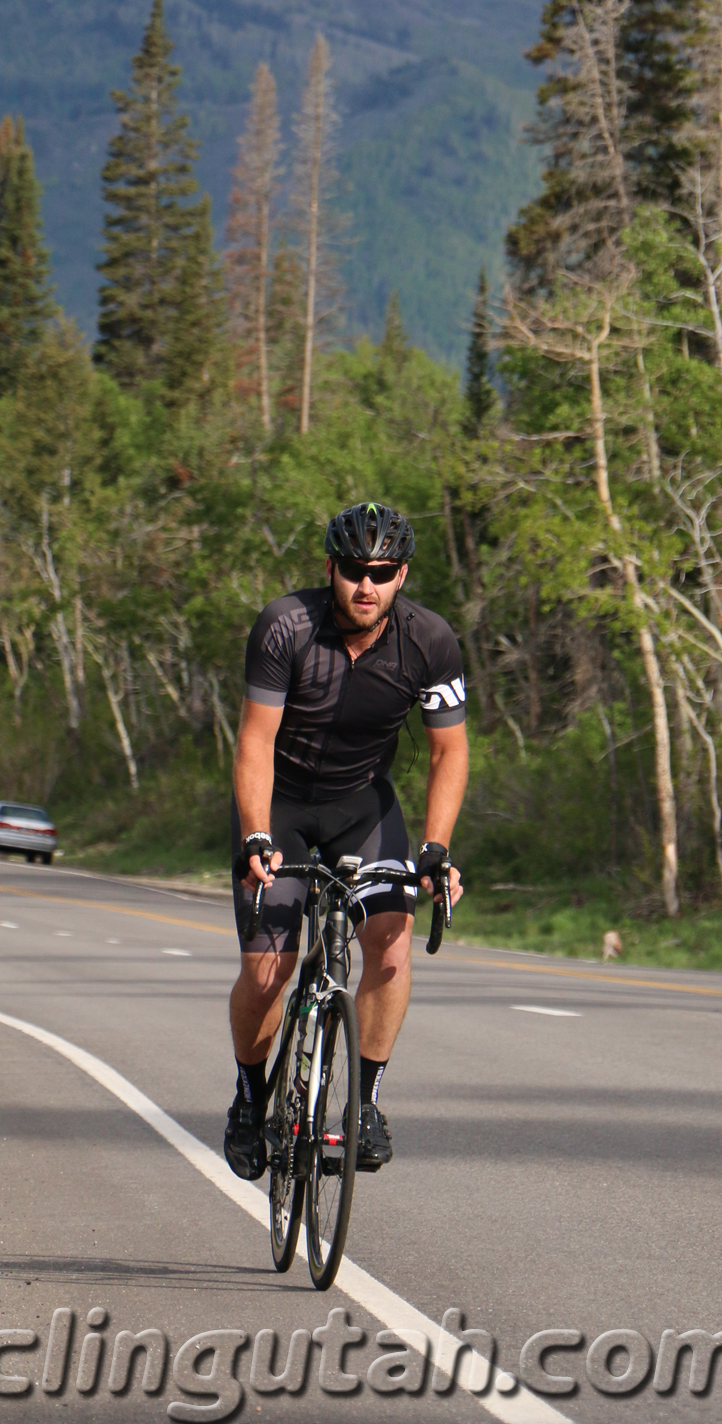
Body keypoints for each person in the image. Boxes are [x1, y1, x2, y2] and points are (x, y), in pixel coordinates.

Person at [224, 499, 467, 1180]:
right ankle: (249, 1100)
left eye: (382, 571)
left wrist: (435, 849)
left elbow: (450, 753)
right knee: (267, 969)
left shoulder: (430, 641)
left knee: (389, 945)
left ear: (402, 574)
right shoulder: (285, 627)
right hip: (282, 801)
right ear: (331, 568)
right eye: (355, 569)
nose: (367, 584)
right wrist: (255, 837)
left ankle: (364, 1105)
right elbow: (254, 742)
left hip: (363, 804)